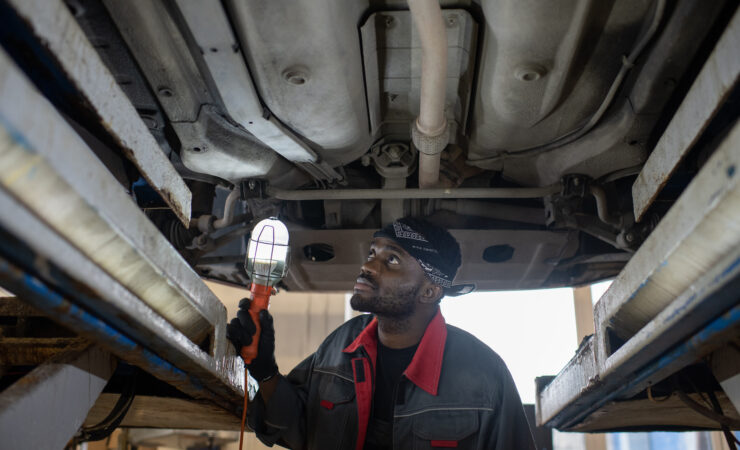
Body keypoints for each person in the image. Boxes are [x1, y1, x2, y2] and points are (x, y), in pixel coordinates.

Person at [227, 216, 536, 450]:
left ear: (429, 291)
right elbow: (292, 426)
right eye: (372, 252)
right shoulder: (340, 345)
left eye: (391, 259)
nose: (368, 266)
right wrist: (266, 371)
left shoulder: (484, 374)